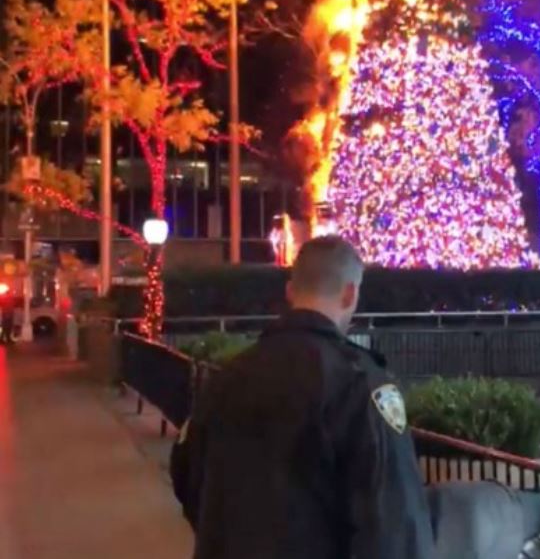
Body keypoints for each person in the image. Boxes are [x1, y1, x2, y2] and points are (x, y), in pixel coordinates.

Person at [170, 235, 434, 559]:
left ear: (290, 292)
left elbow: (187, 476)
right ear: (350, 294)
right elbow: (393, 519)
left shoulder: (227, 378)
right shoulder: (361, 385)